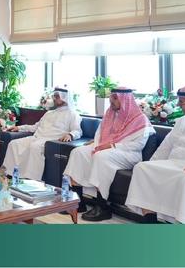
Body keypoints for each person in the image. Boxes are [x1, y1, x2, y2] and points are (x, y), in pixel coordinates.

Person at [65, 87, 153, 222]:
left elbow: (137, 145)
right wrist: (96, 144)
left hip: (128, 153)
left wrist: (111, 146)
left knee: (101, 156)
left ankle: (102, 207)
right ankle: (78, 202)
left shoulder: (140, 119)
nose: (111, 100)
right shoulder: (110, 113)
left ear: (126, 100)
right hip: (105, 148)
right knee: (78, 152)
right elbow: (99, 134)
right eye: (112, 97)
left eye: (115, 98)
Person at [126, 84, 185, 224]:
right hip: (173, 163)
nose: (178, 105)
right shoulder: (181, 121)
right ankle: (150, 221)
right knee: (142, 168)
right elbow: (166, 146)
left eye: (181, 102)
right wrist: (151, 163)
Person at [1, 87, 82, 180]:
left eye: (57, 96)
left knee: (35, 147)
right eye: (54, 96)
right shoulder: (49, 113)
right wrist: (19, 128)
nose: (54, 98)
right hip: (37, 137)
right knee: (14, 144)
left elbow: (77, 131)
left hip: (50, 141)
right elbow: (35, 127)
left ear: (65, 97)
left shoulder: (73, 114)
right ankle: (8, 175)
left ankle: (31, 180)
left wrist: (70, 135)